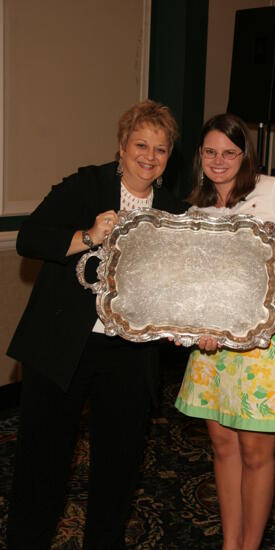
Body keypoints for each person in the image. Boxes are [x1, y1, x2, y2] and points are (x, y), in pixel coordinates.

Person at [6, 99, 187, 549]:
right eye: (140, 144)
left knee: (118, 472)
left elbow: (180, 286)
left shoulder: (174, 212)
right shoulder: (86, 185)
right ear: (121, 147)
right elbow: (29, 238)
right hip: (64, 345)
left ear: (168, 159)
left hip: (129, 354)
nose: (149, 156)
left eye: (160, 149)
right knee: (41, 467)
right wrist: (87, 236)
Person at [175, 113, 275, 550]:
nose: (219, 161)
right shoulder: (196, 210)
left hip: (268, 339)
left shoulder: (274, 191)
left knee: (257, 453)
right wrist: (193, 327)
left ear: (245, 155)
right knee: (223, 447)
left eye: (229, 152)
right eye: (210, 151)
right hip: (215, 344)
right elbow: (193, 284)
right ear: (199, 155)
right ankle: (231, 543)